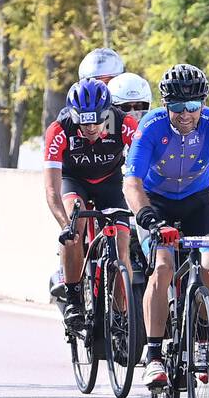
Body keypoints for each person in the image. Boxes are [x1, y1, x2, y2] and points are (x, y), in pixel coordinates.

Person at [123, 63, 209, 388]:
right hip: (157, 203)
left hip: (198, 200)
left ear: (203, 104)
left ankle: (202, 338)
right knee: (163, 266)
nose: (185, 114)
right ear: (165, 105)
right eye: (177, 107)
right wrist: (147, 218)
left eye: (192, 106)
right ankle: (153, 356)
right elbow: (132, 183)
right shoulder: (150, 128)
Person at [44, 79, 138, 328]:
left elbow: (146, 167)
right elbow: (52, 190)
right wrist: (65, 226)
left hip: (110, 181)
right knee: (76, 223)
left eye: (97, 119)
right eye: (84, 121)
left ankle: (121, 317)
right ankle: (73, 297)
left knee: (121, 243)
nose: (92, 127)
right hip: (74, 180)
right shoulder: (59, 130)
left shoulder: (125, 124)